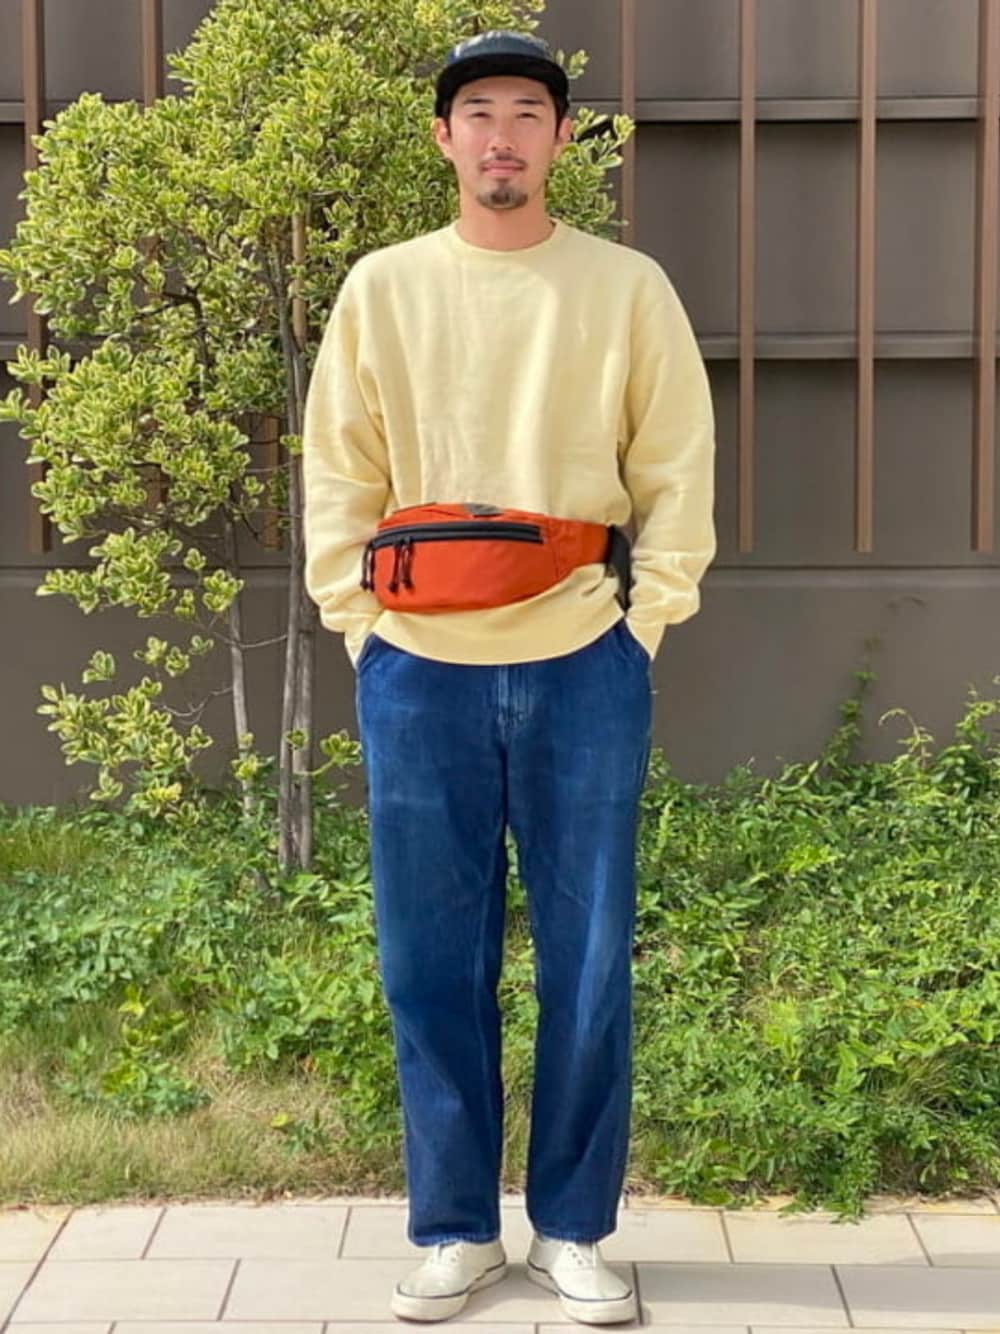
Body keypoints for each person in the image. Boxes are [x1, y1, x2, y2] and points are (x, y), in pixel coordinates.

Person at [301, 29, 716, 1326]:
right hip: (418, 669)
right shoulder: (384, 286)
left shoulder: (626, 287)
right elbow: (339, 466)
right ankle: (458, 1230)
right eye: (477, 111)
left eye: (527, 112)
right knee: (428, 961)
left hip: (586, 660)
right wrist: (358, 623)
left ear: (559, 138)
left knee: (587, 962)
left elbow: (676, 464)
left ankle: (574, 1230)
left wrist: (647, 621)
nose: (501, 134)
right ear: (445, 138)